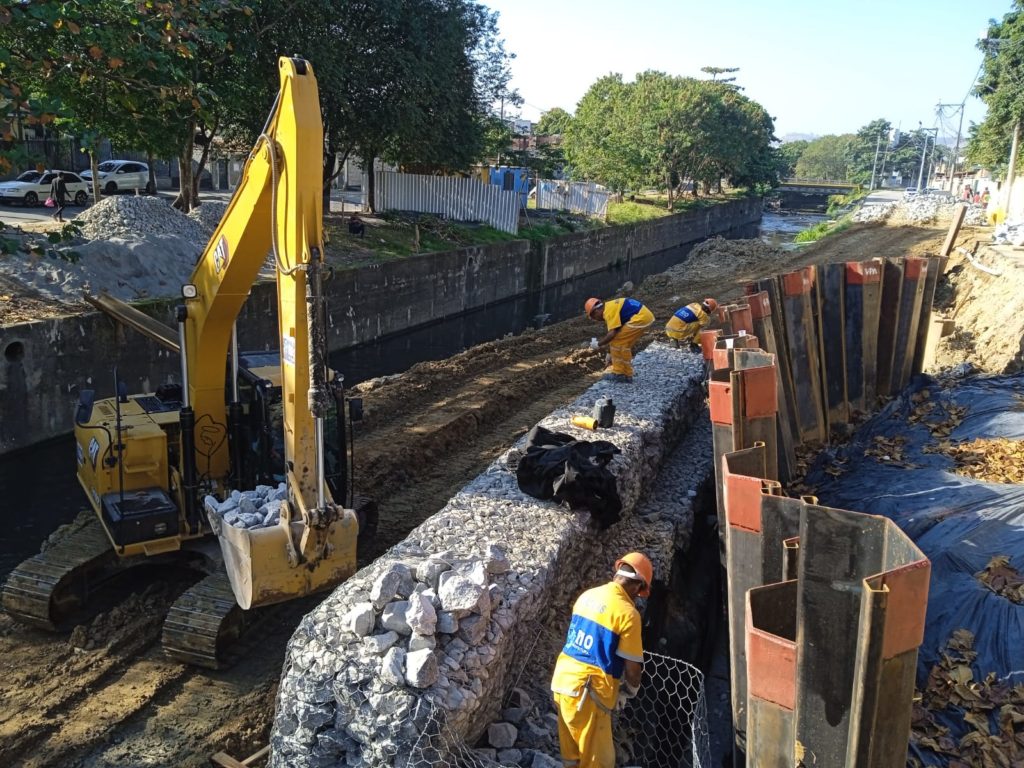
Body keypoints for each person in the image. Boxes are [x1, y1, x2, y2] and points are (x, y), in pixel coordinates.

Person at [550, 552, 651, 768]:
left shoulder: (588, 595)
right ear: (636, 586)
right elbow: (632, 667)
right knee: (599, 762)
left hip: (563, 683)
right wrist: (630, 690)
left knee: (573, 757)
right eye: (639, 592)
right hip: (589, 693)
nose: (637, 598)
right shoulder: (628, 614)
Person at [584, 296, 655, 383]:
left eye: (595, 318)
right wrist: (610, 353)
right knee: (624, 344)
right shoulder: (610, 306)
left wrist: (598, 344)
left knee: (617, 342)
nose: (598, 320)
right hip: (644, 317)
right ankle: (627, 374)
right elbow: (617, 329)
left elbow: (612, 334)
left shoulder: (608, 312)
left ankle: (620, 373)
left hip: (640, 318)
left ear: (596, 311)